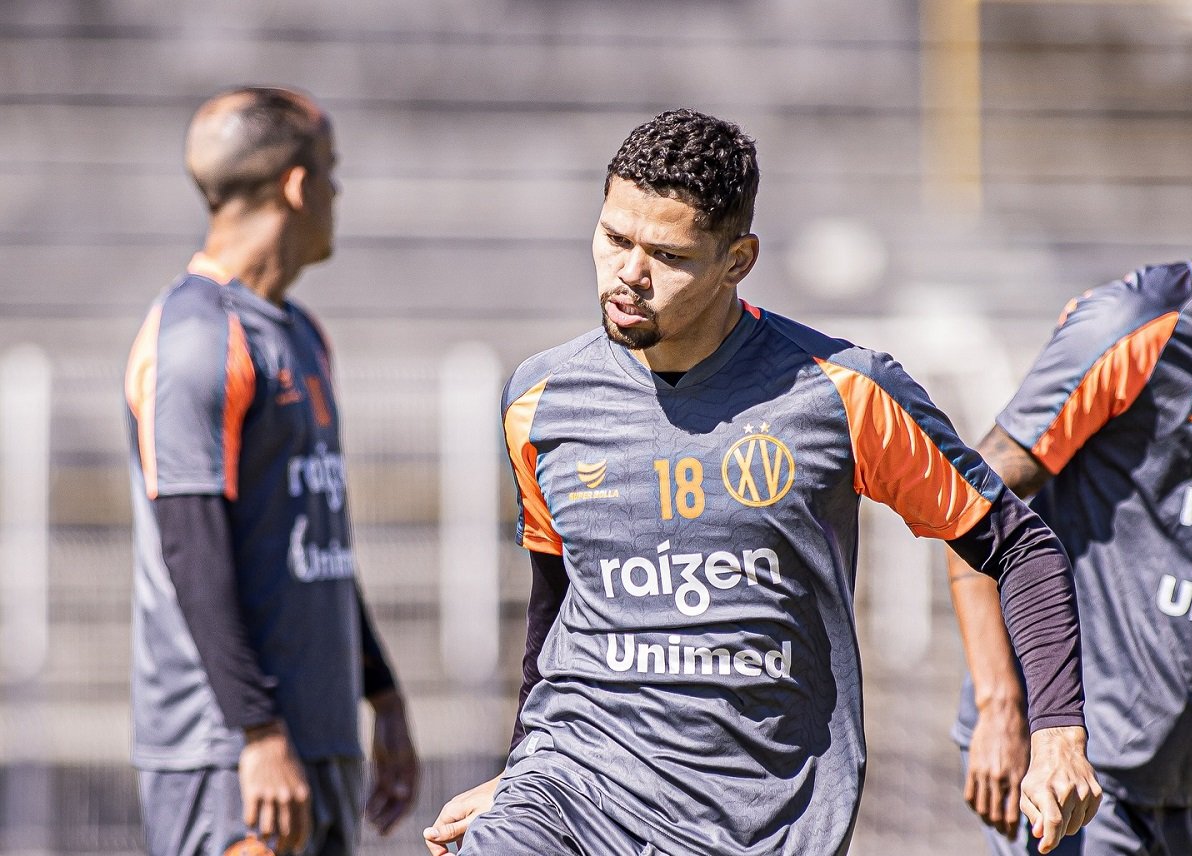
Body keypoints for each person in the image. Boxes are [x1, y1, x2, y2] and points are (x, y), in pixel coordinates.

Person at [422, 108, 1100, 856]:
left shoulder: (842, 393)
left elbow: (1020, 547)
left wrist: (1058, 733)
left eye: (668, 255)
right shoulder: (540, 398)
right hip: (570, 794)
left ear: (737, 260)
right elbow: (556, 600)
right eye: (614, 239)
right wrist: (524, 771)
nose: (629, 274)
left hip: (757, 824)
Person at [124, 86, 418, 856]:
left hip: (315, 738)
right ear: (296, 184)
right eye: (330, 171)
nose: (336, 193)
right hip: (232, 758)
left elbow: (315, 542)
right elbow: (190, 547)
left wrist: (380, 692)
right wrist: (256, 732)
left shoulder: (301, 333)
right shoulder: (197, 337)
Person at [949, 261, 1192, 854]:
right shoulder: (1135, 325)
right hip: (1080, 771)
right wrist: (1000, 705)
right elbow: (973, 504)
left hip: (1186, 777)